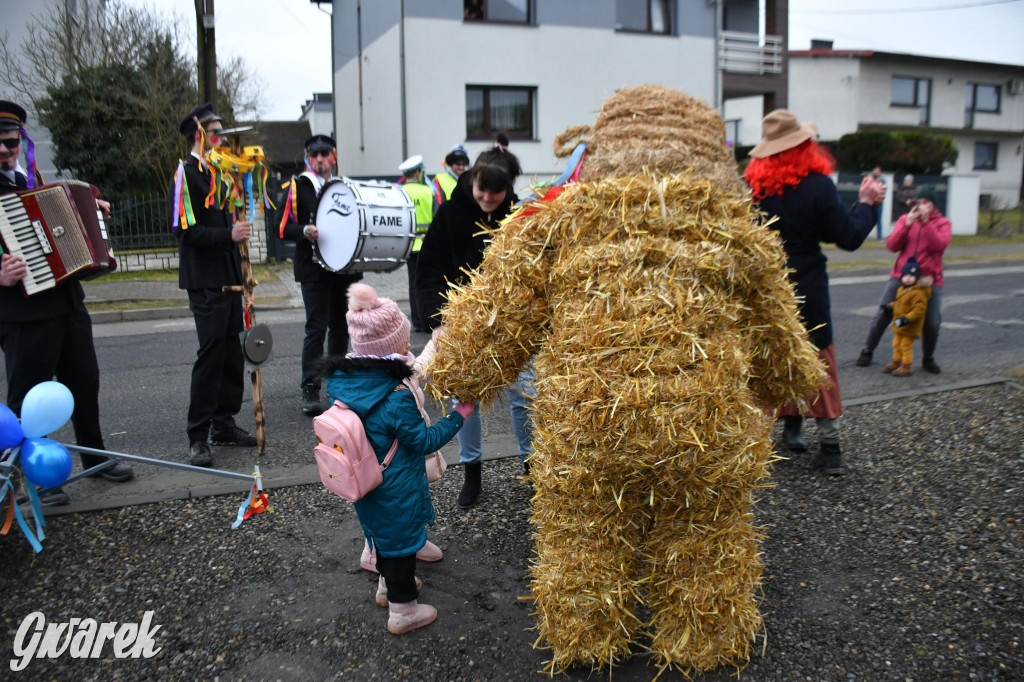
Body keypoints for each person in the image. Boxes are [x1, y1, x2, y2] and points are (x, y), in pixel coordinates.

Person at [427, 86, 825, 673]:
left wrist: (450, 372)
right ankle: (701, 637)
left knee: (584, 529)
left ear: (604, 146)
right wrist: (782, 381)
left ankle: (586, 634)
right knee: (703, 531)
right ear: (705, 151)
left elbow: (492, 321)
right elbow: (783, 348)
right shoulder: (735, 232)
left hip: (590, 425)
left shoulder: (558, 220)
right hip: (704, 428)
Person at [0, 100, 133, 506]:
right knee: (28, 396)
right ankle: (32, 478)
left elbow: (62, 226)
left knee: (84, 381)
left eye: (10, 143)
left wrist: (90, 209)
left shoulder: (32, 178)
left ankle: (95, 457)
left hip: (67, 302)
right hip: (22, 313)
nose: (6, 152)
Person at [319, 282, 472, 634]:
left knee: (385, 537)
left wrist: (435, 344)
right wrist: (458, 416)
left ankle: (387, 586)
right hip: (396, 485)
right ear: (390, 348)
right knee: (401, 548)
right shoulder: (395, 396)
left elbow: (413, 369)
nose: (408, 346)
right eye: (404, 341)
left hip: (368, 481)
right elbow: (422, 441)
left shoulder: (353, 381)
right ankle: (403, 612)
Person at [744, 109, 884, 476]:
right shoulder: (818, 186)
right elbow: (848, 237)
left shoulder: (751, 190)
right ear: (804, 146)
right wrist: (868, 204)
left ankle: (757, 445)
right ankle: (830, 447)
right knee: (817, 358)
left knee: (768, 360)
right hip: (807, 285)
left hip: (766, 288)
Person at [415, 135, 534, 508]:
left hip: (510, 320)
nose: (486, 200)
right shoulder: (451, 212)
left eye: (495, 196)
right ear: (475, 178)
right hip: (462, 320)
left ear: (507, 192)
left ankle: (532, 467)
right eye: (483, 191)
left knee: (523, 391)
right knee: (464, 397)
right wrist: (438, 320)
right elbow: (429, 269)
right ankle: (472, 471)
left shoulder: (518, 216)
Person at [173, 102, 258, 467]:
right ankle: (198, 434)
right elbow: (185, 231)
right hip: (204, 282)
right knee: (210, 355)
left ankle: (224, 423)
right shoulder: (186, 174)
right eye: (218, 133)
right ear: (200, 135)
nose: (224, 139)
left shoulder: (222, 173)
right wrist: (229, 233)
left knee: (230, 353)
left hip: (229, 280)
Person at [278, 134, 361, 415]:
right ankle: (310, 387)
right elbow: (281, 228)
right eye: (315, 155)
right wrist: (303, 231)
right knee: (315, 329)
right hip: (313, 269)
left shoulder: (344, 187)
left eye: (325, 154)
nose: (321, 159)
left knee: (341, 328)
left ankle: (337, 385)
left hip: (343, 270)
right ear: (308, 157)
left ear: (333, 157)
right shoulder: (298, 186)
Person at [855, 184, 950, 374]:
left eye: (925, 202)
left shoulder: (942, 223)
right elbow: (892, 245)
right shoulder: (905, 219)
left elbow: (938, 246)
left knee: (932, 321)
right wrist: (907, 225)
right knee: (883, 313)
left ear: (933, 205)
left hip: (929, 279)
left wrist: (926, 223)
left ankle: (928, 358)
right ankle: (867, 350)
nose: (920, 205)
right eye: (919, 202)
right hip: (902, 275)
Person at [397, 155, 433, 333]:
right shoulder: (428, 191)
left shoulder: (399, 192)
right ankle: (428, 319)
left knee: (413, 284)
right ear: (418, 172)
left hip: (408, 246)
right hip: (427, 245)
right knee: (427, 283)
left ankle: (417, 321)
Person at [883, 260, 932, 377]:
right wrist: (890, 307)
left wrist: (906, 319)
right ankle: (897, 361)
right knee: (896, 344)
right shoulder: (902, 289)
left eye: (911, 276)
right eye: (906, 275)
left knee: (905, 345)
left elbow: (919, 310)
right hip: (899, 324)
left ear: (916, 277)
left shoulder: (918, 293)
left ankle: (906, 366)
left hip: (909, 326)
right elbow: (899, 304)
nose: (908, 278)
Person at [431, 144, 470, 212]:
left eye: (463, 164)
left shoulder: (469, 180)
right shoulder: (440, 180)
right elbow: (437, 207)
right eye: (458, 164)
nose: (461, 167)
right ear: (451, 164)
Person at [871, 166, 884, 239]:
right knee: (868, 219)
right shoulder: (870, 180)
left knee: (879, 220)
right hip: (871, 203)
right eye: (875, 171)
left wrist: (879, 180)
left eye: (877, 171)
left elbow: (883, 188)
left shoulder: (882, 180)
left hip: (879, 204)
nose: (876, 172)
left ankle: (879, 237)